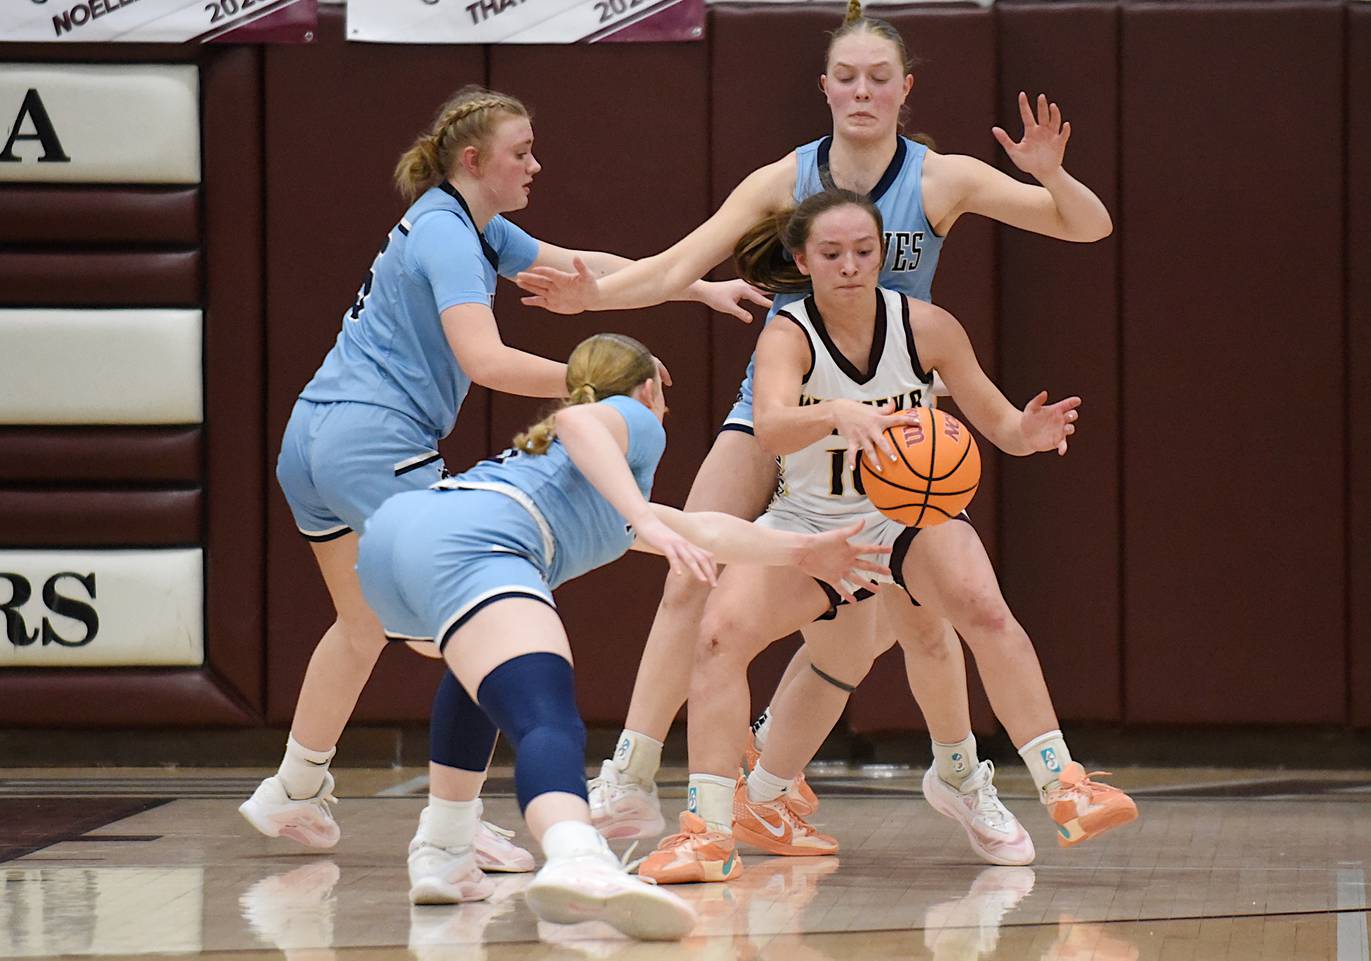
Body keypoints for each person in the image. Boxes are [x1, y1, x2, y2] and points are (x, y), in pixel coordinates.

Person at [517, 0, 1113, 862]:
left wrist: (1052, 174)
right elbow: (678, 263)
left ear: (905, 90)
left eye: (881, 77)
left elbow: (1086, 223)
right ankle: (633, 774)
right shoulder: (782, 180)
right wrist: (594, 298)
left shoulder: (941, 178)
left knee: (928, 618)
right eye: (848, 76)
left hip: (893, 422)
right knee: (691, 568)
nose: (863, 90)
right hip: (790, 405)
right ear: (824, 88)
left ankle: (958, 777)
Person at [237, 85, 765, 881]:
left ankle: (294, 787)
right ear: (473, 160)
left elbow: (587, 269)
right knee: (480, 624)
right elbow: (485, 362)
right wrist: (605, 388)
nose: (536, 164)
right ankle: (456, 823)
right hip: (372, 440)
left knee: (360, 623)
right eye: (521, 152)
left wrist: (697, 287)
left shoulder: (475, 226)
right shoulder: (449, 236)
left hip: (312, 438)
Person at [635, 190, 1137, 884]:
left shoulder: (928, 327)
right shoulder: (788, 334)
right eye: (833, 253)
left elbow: (995, 418)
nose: (850, 266)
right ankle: (706, 832)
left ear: (885, 255)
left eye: (864, 252)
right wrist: (840, 410)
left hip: (907, 515)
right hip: (812, 520)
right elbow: (772, 426)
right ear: (802, 259)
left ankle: (1065, 785)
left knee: (984, 612)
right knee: (719, 635)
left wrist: (1029, 433)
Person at [355, 332, 891, 935]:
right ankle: (577, 856)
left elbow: (700, 530)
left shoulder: (587, 487)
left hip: (396, 548)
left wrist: (802, 550)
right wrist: (640, 514)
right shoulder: (633, 420)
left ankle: (446, 848)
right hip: (471, 546)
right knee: (546, 715)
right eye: (659, 397)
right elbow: (583, 424)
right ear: (646, 389)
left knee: (479, 672)